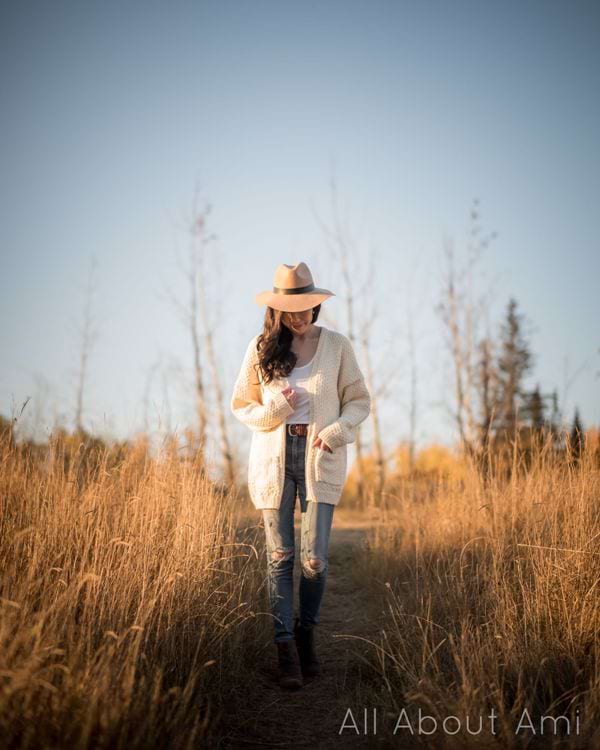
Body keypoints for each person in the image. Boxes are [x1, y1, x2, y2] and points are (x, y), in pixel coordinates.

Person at [230, 261, 371, 690]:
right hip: (273, 460)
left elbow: (359, 401)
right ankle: (286, 649)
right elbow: (241, 406)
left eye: (306, 306)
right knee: (279, 559)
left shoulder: (337, 347)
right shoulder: (260, 348)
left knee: (315, 560)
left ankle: (307, 632)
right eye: (289, 308)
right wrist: (275, 409)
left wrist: (337, 430)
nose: (299, 315)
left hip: (319, 457)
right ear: (277, 310)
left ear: (316, 305)